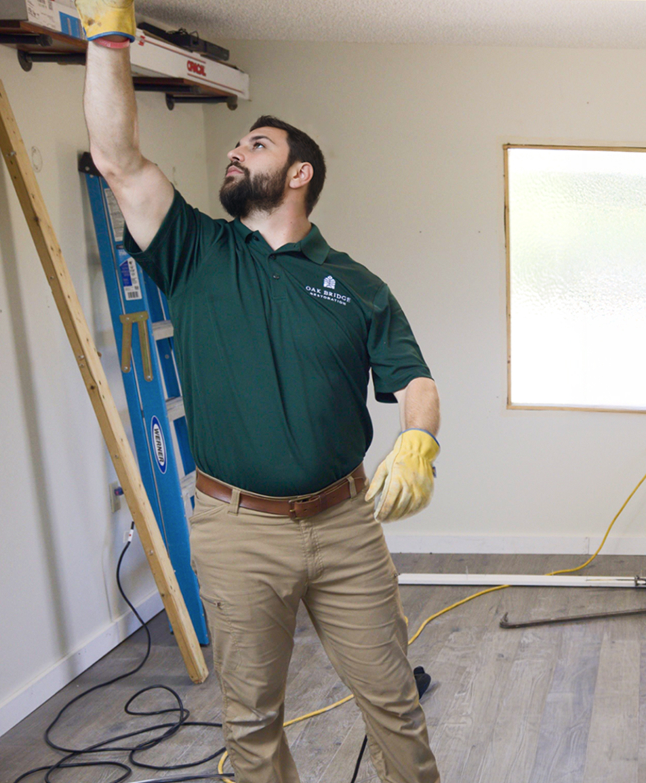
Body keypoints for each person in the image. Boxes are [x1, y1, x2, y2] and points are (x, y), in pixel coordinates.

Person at [77, 3, 443, 781]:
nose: (238, 152)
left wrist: (418, 438)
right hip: (236, 527)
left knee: (394, 705)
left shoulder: (356, 285)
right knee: (251, 722)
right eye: (238, 144)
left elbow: (414, 378)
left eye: (257, 143)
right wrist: (108, 38)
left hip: (346, 525)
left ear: (299, 172)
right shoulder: (198, 251)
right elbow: (117, 158)